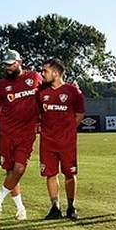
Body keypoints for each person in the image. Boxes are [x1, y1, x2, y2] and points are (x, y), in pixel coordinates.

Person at [0, 50, 42, 221]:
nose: (8, 67)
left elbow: (45, 96)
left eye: (11, 64)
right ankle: (20, 208)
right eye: (5, 64)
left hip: (27, 133)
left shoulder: (34, 78)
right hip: (7, 133)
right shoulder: (2, 85)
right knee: (11, 172)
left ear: (20, 62)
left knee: (19, 169)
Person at [37, 58, 84, 220]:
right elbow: (38, 114)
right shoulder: (41, 92)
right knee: (51, 174)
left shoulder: (73, 92)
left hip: (67, 142)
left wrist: (67, 130)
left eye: (46, 71)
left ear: (56, 73)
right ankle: (55, 207)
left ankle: (72, 207)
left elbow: (79, 115)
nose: (43, 74)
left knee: (69, 174)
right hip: (47, 141)